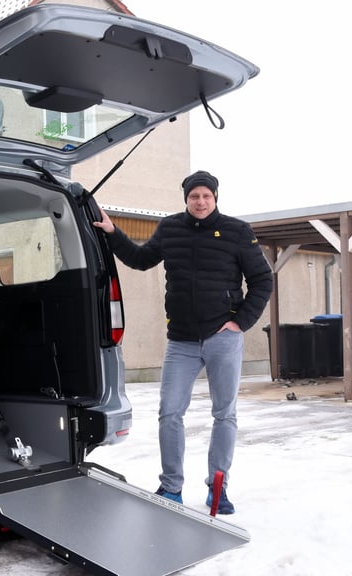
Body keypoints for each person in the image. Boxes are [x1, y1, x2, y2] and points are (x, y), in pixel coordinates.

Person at [92, 170, 273, 514]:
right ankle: (171, 486)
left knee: (224, 414)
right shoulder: (170, 228)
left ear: (215, 197)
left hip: (223, 337)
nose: (200, 202)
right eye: (194, 196)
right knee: (170, 413)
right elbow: (141, 260)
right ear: (186, 199)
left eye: (206, 196)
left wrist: (240, 322)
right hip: (182, 341)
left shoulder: (237, 231)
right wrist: (114, 234)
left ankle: (218, 488)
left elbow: (263, 280)